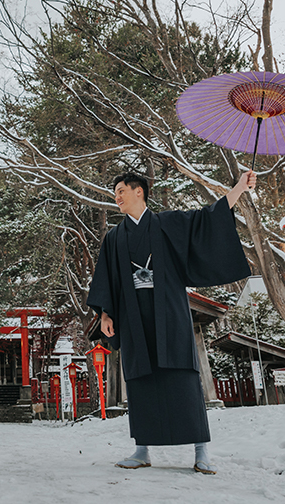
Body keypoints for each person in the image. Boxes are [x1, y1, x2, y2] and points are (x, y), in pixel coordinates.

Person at [87, 170, 256, 474]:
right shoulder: (113, 238)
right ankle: (141, 450)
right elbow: (106, 279)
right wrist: (105, 313)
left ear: (140, 192)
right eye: (116, 192)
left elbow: (208, 218)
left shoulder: (169, 224)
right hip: (133, 315)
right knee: (140, 379)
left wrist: (239, 189)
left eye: (122, 190)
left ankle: (201, 451)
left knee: (183, 377)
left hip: (170, 312)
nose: (117, 196)